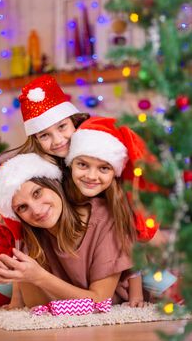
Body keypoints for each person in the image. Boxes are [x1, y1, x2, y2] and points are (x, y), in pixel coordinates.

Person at [0, 153, 135, 309]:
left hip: (111, 299)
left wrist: (39, 277)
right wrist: (24, 277)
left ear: (54, 184)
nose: (37, 211)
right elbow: (36, 305)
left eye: (37, 193)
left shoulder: (104, 220)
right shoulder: (31, 233)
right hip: (54, 291)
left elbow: (100, 303)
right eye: (22, 207)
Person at [64, 116, 179, 305]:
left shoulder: (118, 200)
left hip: (126, 265)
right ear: (71, 164)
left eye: (103, 168)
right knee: (4, 287)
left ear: (114, 171)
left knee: (164, 284)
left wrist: (136, 294)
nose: (91, 176)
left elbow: (133, 246)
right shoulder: (62, 195)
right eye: (83, 164)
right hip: (85, 267)